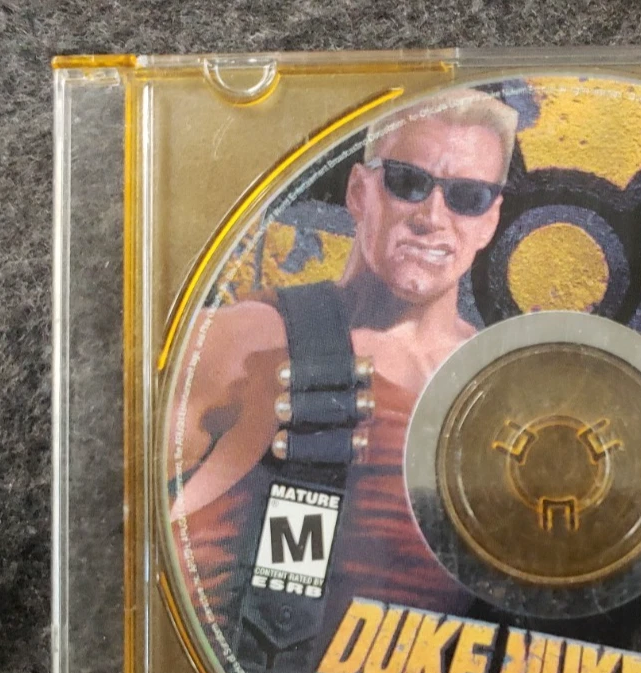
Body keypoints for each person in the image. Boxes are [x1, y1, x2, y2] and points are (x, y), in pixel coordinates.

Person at [171, 89, 518, 633]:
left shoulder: (504, 397)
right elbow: (112, 514)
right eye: (407, 182)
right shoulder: (250, 337)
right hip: (215, 669)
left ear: (490, 219)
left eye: (467, 197)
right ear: (359, 191)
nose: (433, 217)